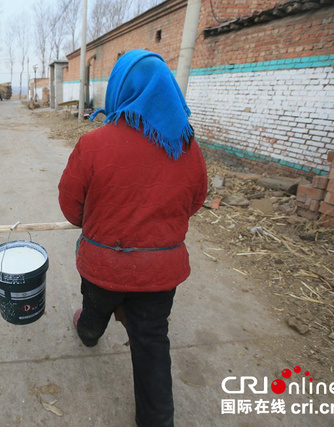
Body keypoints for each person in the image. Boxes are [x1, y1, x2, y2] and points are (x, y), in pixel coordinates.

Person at [58, 50, 207, 426]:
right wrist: (161, 228)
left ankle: (89, 331)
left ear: (121, 89)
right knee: (152, 341)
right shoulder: (187, 147)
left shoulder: (93, 144)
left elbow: (70, 208)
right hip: (161, 274)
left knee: (94, 308)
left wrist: (94, 227)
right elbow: (195, 200)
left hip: (103, 266)